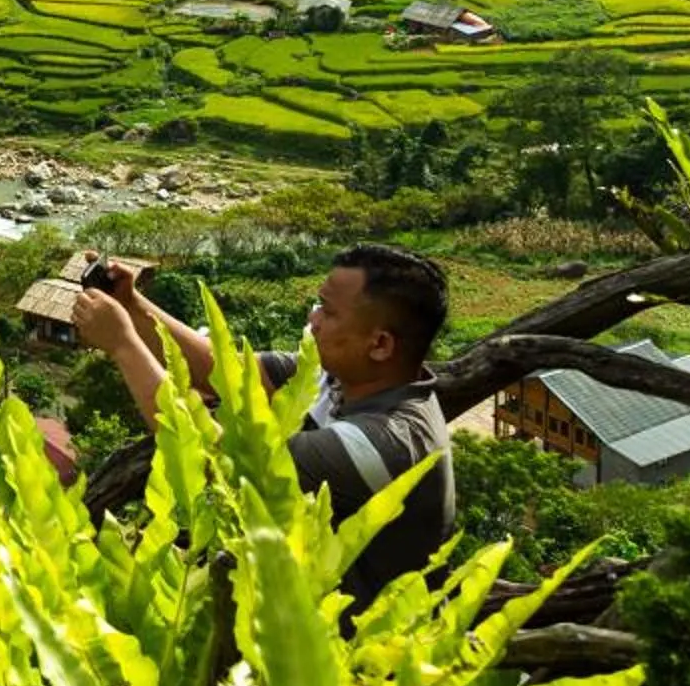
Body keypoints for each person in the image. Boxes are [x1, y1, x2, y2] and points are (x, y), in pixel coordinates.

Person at [66, 243, 457, 600]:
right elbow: (223, 371)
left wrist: (123, 344)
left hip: (348, 647)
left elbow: (213, 455)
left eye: (328, 311)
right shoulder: (340, 376)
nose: (313, 318)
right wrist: (132, 305)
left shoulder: (385, 443)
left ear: (380, 344)